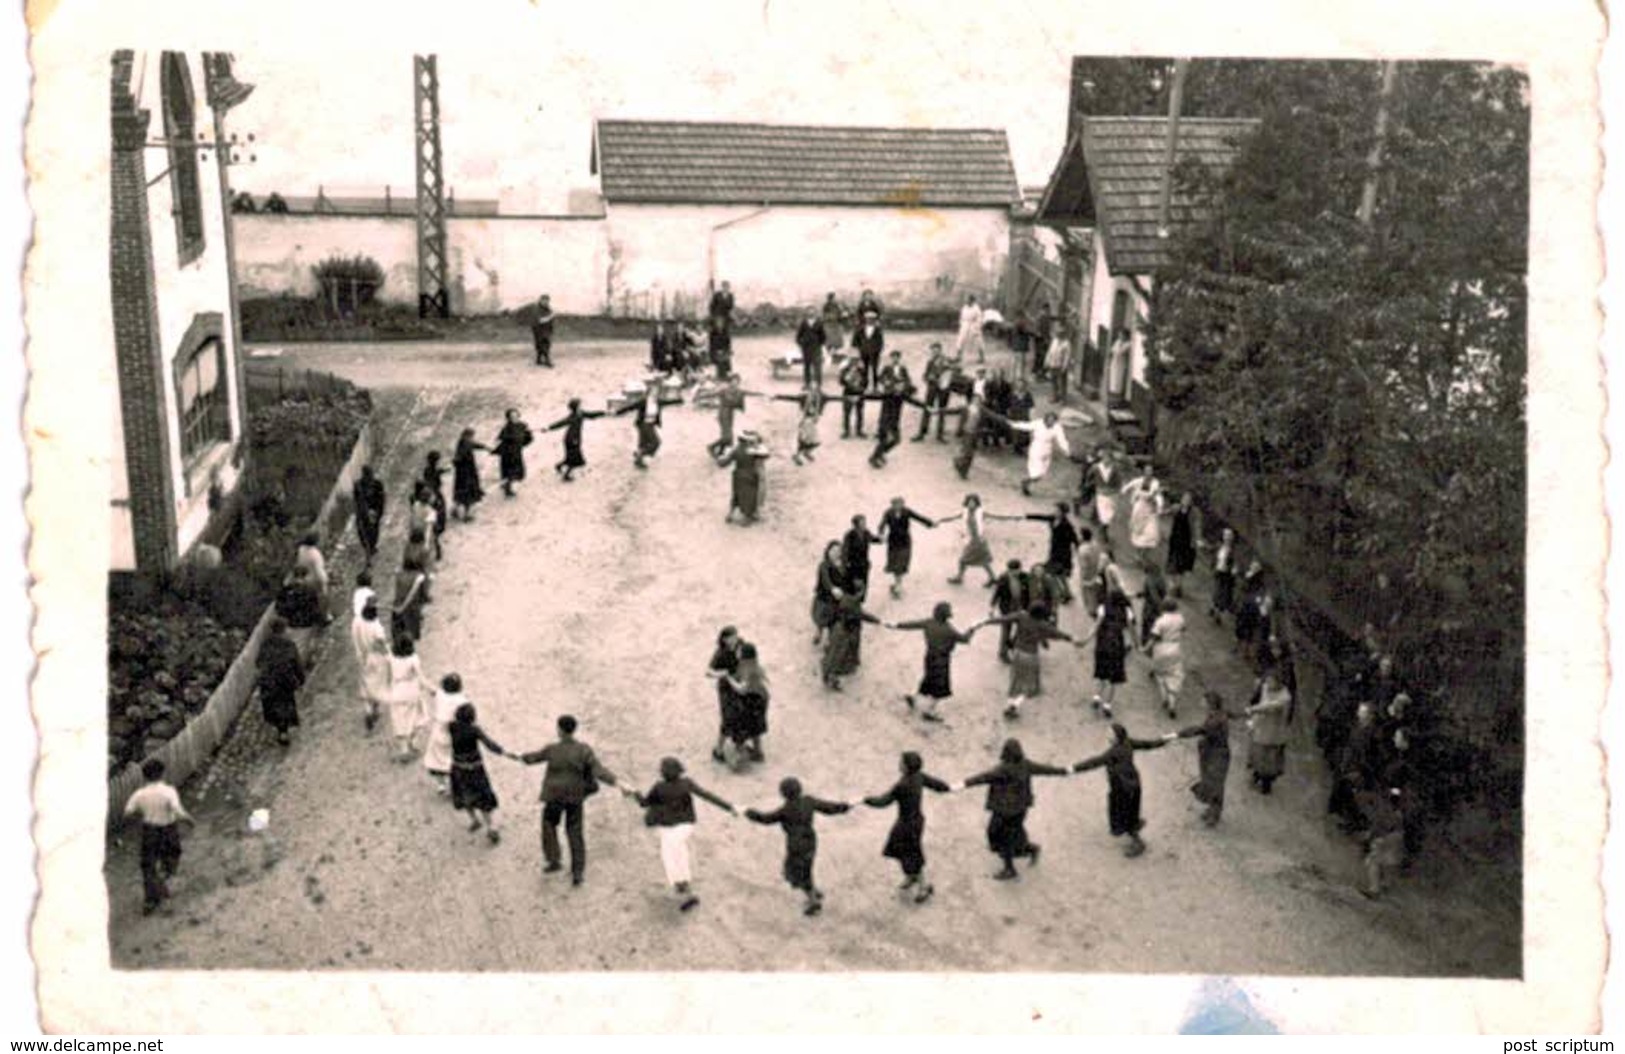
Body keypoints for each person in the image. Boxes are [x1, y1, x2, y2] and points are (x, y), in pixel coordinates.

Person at [515, 715, 618, 887]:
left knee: (548, 825)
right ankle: (577, 872)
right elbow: (599, 771)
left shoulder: (552, 749)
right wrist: (617, 783)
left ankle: (554, 859)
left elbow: (533, 758)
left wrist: (518, 756)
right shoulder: (583, 750)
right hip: (575, 797)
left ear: (560, 730)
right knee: (575, 832)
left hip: (554, 796)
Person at [626, 758, 736, 912]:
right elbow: (707, 795)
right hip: (686, 826)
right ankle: (685, 886)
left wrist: (634, 793)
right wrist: (729, 807)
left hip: (668, 828)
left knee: (670, 856)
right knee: (681, 852)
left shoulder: (659, 787)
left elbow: (645, 803)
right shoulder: (687, 783)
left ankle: (683, 889)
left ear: (663, 773)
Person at [962, 738, 1070, 880]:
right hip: (1020, 809)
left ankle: (1010, 868)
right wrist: (1064, 771)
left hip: (1004, 810)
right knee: (1013, 833)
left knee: (1000, 835)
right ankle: (1029, 849)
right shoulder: (1026, 765)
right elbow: (1046, 769)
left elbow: (982, 778)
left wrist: (962, 784)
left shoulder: (1003, 769)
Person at [744, 777, 852, 916]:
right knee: (806, 867)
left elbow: (765, 819)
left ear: (783, 794)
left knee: (796, 872)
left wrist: (747, 812)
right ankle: (813, 891)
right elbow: (829, 808)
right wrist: (846, 806)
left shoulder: (785, 810)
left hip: (795, 845)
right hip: (810, 840)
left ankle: (813, 901)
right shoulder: (809, 801)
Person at [863, 752, 952, 903]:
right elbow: (938, 785)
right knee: (905, 850)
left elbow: (883, 802)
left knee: (911, 853)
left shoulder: (902, 785)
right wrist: (948, 787)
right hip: (916, 821)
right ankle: (911, 876)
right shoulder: (918, 776)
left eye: (901, 762)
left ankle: (923, 886)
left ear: (906, 767)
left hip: (906, 824)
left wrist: (867, 800)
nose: (899, 764)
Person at [1072, 723, 1171, 858]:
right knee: (1129, 812)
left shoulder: (1115, 751)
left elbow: (1095, 761)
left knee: (1125, 814)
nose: (1107, 735)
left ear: (1116, 737)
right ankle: (1133, 829)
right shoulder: (1127, 743)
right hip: (1132, 784)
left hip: (1122, 788)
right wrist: (1163, 740)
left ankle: (1137, 842)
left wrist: (1073, 768)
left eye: (1110, 733)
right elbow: (1147, 744)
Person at [889, 601, 982, 723]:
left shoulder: (928, 623)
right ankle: (929, 711)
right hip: (942, 660)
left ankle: (915, 698)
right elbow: (964, 639)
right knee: (940, 687)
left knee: (928, 678)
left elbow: (911, 625)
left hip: (929, 656)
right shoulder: (948, 629)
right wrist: (973, 628)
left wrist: (895, 625)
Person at [122, 758, 195, 915]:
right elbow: (178, 811)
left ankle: (150, 900)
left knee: (148, 866)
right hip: (168, 830)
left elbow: (127, 813)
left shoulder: (139, 794)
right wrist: (190, 820)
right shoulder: (168, 791)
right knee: (173, 855)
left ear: (145, 776)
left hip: (150, 831)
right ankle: (163, 879)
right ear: (162, 773)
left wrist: (141, 817)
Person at [984, 603, 1076, 719]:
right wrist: (1072, 639)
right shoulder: (1042, 625)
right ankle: (1015, 704)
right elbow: (1057, 634)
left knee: (1015, 680)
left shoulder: (1021, 616)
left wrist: (986, 621)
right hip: (1031, 656)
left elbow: (1004, 619)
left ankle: (1010, 704)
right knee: (1030, 684)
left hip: (1018, 653)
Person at [1172, 691, 1236, 826]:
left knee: (1215, 784)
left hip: (1217, 755)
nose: (1200, 702)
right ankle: (1212, 809)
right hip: (1210, 753)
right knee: (1208, 781)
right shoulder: (1217, 714)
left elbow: (1199, 729)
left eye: (1203, 701)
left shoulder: (1216, 719)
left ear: (1209, 704)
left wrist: (1178, 734)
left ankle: (1215, 814)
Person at [448, 701, 505, 843]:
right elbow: (489, 744)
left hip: (459, 768)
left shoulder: (452, 727)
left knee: (464, 796)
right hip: (475, 769)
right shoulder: (475, 730)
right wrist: (503, 752)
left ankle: (474, 820)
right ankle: (491, 827)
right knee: (483, 798)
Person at [1078, 587, 1136, 719]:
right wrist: (1138, 645)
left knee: (1101, 671)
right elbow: (1131, 630)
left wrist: (1086, 640)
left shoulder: (1103, 608)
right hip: (1117, 644)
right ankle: (1107, 705)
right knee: (1114, 677)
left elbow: (1096, 626)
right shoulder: (1127, 611)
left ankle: (1097, 696)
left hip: (1103, 643)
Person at [939, 493, 1021, 587]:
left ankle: (960, 577)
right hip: (973, 540)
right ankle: (992, 578)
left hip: (977, 541)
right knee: (983, 561)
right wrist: (941, 520)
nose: (971, 504)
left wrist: (1013, 517)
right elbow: (952, 518)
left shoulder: (981, 513)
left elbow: (998, 517)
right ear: (966, 503)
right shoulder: (964, 512)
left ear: (977, 503)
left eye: (973, 502)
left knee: (963, 560)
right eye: (969, 502)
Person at [1329, 702, 1380, 832]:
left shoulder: (1371, 734)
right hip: (1348, 761)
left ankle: (1353, 821)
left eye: (1362, 711)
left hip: (1357, 767)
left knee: (1350, 793)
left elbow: (1366, 754)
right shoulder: (1357, 726)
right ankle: (1346, 816)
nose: (1358, 713)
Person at [867, 350, 921, 469]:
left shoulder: (903, 371)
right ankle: (875, 457)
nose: (895, 359)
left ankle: (879, 454)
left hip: (895, 417)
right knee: (888, 437)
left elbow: (909, 384)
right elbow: (881, 380)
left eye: (897, 357)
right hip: (886, 417)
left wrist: (906, 387)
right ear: (891, 358)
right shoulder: (887, 371)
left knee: (896, 440)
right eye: (893, 357)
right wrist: (889, 385)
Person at [256, 617, 305, 746]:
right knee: (284, 705)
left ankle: (281, 731)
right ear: (283, 630)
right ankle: (283, 732)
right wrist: (300, 680)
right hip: (284, 681)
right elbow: (296, 664)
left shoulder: (265, 645)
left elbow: (258, 662)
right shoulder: (288, 645)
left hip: (268, 682)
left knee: (275, 706)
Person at [821, 591, 881, 692]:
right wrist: (877, 621)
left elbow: (861, 614)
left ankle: (831, 674)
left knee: (837, 653)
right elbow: (861, 614)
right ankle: (831, 676)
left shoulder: (847, 601)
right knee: (837, 655)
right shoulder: (850, 604)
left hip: (845, 630)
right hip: (845, 632)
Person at [1245, 666, 1292, 795]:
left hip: (1273, 732)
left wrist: (1253, 709)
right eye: (1268, 680)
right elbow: (1261, 698)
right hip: (1261, 727)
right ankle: (1256, 775)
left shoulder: (1285, 697)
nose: (1268, 683)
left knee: (1269, 761)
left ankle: (1266, 786)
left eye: (1272, 681)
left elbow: (1269, 706)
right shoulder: (1266, 687)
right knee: (1257, 755)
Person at [877, 497, 936, 598]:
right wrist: (881, 534)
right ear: (892, 505)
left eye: (900, 504)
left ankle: (898, 585)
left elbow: (918, 517)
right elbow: (882, 525)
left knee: (901, 562)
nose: (898, 506)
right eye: (896, 504)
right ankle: (897, 583)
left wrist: (930, 523)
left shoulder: (907, 511)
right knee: (895, 563)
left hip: (905, 541)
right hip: (893, 541)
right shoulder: (888, 513)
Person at [1025, 503, 1082, 604]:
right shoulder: (1053, 519)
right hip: (1054, 550)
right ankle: (1067, 593)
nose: (1054, 512)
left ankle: (1064, 594)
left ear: (1062, 513)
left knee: (1055, 574)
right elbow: (1041, 517)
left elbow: (1074, 539)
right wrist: (1028, 516)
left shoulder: (1066, 525)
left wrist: (1078, 550)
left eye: (1057, 510)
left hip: (1063, 553)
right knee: (1060, 575)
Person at [706, 626, 746, 765]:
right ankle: (719, 749)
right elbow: (709, 672)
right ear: (724, 639)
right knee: (728, 718)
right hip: (727, 690)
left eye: (735, 636)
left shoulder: (741, 644)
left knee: (742, 714)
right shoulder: (720, 653)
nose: (735, 639)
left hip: (740, 683)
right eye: (731, 637)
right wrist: (722, 673)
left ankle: (739, 745)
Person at [349, 598, 390, 734]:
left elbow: (355, 638)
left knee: (366, 684)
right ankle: (375, 709)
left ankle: (368, 710)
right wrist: (389, 654)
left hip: (363, 656)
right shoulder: (376, 627)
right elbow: (381, 643)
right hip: (376, 658)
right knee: (378, 684)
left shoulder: (357, 622)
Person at [385, 634, 428, 762]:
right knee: (419, 715)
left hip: (396, 690)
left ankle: (404, 749)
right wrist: (433, 689)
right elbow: (421, 678)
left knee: (399, 719)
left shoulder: (390, 657)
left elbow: (388, 676)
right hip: (411, 690)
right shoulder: (413, 659)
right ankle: (413, 740)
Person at [545, 398, 606, 483]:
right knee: (574, 459)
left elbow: (591, 415)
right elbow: (560, 423)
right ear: (576, 407)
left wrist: (603, 413)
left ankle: (559, 466)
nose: (581, 406)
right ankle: (566, 476)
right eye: (579, 405)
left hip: (572, 439)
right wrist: (549, 428)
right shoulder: (574, 416)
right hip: (572, 440)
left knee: (571, 457)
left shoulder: (580, 413)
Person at [1360, 787, 1406, 899]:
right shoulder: (1399, 812)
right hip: (1397, 837)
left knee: (1373, 861)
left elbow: (1380, 825)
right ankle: (1385, 886)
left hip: (1388, 837)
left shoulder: (1387, 810)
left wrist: (1369, 838)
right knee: (1388, 862)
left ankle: (1374, 890)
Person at [423, 672, 464, 795]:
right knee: (452, 759)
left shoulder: (441, 695)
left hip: (438, 731)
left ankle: (441, 784)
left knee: (436, 759)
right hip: (453, 733)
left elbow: (433, 690)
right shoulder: (461, 700)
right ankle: (454, 785)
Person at [730, 642, 771, 763]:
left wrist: (729, 680)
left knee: (743, 727)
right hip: (761, 700)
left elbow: (742, 690)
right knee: (756, 729)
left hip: (750, 702)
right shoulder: (757, 667)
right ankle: (758, 752)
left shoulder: (748, 670)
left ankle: (740, 756)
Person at [1145, 598, 1187, 718]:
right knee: (1175, 675)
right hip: (1175, 648)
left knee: (1161, 675)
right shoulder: (1180, 618)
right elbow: (1184, 629)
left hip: (1161, 648)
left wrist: (1145, 648)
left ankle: (1164, 697)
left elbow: (1154, 637)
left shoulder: (1160, 621)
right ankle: (1172, 704)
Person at [719, 432, 772, 525]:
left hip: (738, 475)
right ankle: (747, 517)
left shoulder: (735, 450)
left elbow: (723, 463)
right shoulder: (753, 451)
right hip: (750, 475)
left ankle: (731, 514)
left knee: (736, 495)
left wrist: (721, 458)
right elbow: (766, 455)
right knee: (749, 496)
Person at [911, 343, 957, 443]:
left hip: (943, 390)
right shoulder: (930, 362)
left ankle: (940, 435)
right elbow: (925, 375)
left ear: (940, 350)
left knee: (942, 411)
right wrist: (928, 378)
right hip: (932, 389)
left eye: (936, 350)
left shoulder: (947, 361)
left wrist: (946, 378)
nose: (934, 352)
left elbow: (953, 373)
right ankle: (921, 433)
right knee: (927, 410)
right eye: (933, 351)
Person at [989, 560, 1033, 664]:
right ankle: (1003, 653)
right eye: (1011, 571)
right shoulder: (1003, 578)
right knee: (1006, 630)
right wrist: (992, 607)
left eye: (1016, 571)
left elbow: (1030, 592)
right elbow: (997, 593)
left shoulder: (1025, 577)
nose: (1014, 573)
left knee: (1022, 628)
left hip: (1022, 606)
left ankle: (1013, 644)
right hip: (1007, 607)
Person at [1122, 466, 1165, 568]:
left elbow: (1157, 496)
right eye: (1146, 471)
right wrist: (1124, 489)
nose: (1148, 473)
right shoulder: (1139, 481)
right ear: (1144, 472)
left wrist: (1159, 507)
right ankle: (1138, 556)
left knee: (1151, 533)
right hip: (1139, 508)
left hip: (1150, 511)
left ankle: (1143, 555)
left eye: (1150, 471)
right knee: (1137, 530)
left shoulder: (1155, 483)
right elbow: (1130, 485)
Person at [809, 541, 847, 647]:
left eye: (838, 551)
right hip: (824, 597)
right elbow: (826, 579)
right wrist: (832, 588)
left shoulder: (843, 565)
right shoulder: (824, 565)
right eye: (833, 550)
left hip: (836, 600)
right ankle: (819, 632)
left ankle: (829, 641)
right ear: (828, 551)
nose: (835, 553)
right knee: (820, 618)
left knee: (833, 621)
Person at [708, 375, 754, 460]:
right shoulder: (724, 390)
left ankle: (720, 452)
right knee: (728, 436)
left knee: (727, 436)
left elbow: (751, 393)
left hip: (730, 414)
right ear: (730, 382)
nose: (735, 383)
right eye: (733, 381)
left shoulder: (739, 391)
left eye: (737, 381)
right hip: (723, 413)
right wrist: (699, 396)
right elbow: (712, 394)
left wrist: (765, 395)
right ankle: (711, 447)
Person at [492, 408, 534, 498]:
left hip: (517, 452)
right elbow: (499, 439)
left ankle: (507, 484)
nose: (515, 418)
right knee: (511, 471)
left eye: (516, 416)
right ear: (509, 418)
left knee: (516, 472)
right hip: (508, 453)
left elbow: (529, 438)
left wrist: (522, 444)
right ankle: (508, 489)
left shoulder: (523, 425)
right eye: (512, 417)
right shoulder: (506, 428)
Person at [841, 514, 882, 600]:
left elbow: (872, 539)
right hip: (853, 565)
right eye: (862, 522)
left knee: (864, 585)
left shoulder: (866, 533)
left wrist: (880, 539)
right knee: (854, 586)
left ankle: (859, 603)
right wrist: (845, 564)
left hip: (864, 564)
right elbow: (845, 550)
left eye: (864, 522)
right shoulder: (849, 535)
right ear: (856, 524)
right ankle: (852, 605)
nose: (864, 524)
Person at [451, 428, 489, 521]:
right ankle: (467, 515)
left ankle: (455, 510)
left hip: (460, 473)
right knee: (469, 495)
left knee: (459, 493)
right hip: (469, 473)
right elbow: (472, 446)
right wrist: (486, 447)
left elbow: (473, 446)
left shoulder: (461, 442)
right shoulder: (467, 443)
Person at [1086, 448, 1122, 546]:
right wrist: (1091, 484)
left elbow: (1119, 481)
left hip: (1112, 494)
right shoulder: (1096, 468)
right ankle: (1103, 533)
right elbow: (1088, 476)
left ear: (1111, 459)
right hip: (1101, 494)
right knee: (1103, 516)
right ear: (1102, 458)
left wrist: (1118, 490)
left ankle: (1103, 531)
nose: (1107, 460)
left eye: (1108, 458)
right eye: (1105, 458)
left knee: (1110, 516)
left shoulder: (1115, 468)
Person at [351, 464, 386, 564]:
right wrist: (362, 511)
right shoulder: (358, 485)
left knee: (374, 533)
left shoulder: (377, 484)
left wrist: (378, 512)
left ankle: (371, 547)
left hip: (374, 512)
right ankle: (368, 549)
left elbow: (381, 499)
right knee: (363, 534)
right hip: (363, 513)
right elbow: (357, 500)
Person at [1166, 493, 1199, 597]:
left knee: (1180, 566)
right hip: (1175, 540)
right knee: (1171, 564)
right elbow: (1167, 512)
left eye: (1188, 499)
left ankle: (1178, 587)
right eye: (1184, 499)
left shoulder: (1194, 512)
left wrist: (1196, 540)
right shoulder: (1176, 508)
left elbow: (1197, 526)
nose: (1186, 501)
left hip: (1186, 542)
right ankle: (1173, 585)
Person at [391, 556, 429, 645]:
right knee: (410, 629)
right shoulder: (418, 577)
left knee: (398, 629)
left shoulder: (399, 574)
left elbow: (396, 570)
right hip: (411, 607)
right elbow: (417, 594)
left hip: (397, 604)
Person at [275, 565, 325, 630]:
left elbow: (282, 595)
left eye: (301, 576)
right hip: (302, 611)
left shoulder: (280, 607)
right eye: (297, 576)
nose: (298, 581)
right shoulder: (287, 591)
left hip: (305, 616)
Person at [951, 395, 988, 479]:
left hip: (975, 434)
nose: (977, 402)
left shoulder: (982, 409)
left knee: (971, 455)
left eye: (978, 401)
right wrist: (937, 410)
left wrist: (1007, 422)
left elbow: (994, 416)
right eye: (975, 400)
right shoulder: (966, 408)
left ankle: (964, 471)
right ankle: (958, 463)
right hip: (966, 433)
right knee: (968, 452)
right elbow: (952, 411)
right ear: (972, 400)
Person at [294, 531, 330, 612]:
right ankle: (326, 615)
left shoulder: (301, 549)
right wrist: (324, 580)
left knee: (311, 599)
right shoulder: (315, 554)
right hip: (315, 578)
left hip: (305, 577)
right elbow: (319, 571)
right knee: (323, 597)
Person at [851, 309, 885, 391]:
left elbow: (880, 342)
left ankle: (875, 387)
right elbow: (854, 341)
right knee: (864, 370)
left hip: (874, 352)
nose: (870, 321)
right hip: (864, 352)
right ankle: (864, 386)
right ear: (865, 319)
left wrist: (877, 350)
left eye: (872, 319)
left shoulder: (877, 330)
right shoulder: (860, 329)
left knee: (874, 370)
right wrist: (860, 348)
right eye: (868, 319)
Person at [838, 348, 869, 438]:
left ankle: (859, 430)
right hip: (848, 392)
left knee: (859, 413)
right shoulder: (845, 369)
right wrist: (847, 381)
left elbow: (866, 381)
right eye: (852, 359)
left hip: (859, 393)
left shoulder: (862, 370)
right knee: (847, 413)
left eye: (856, 359)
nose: (854, 361)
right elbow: (840, 381)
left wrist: (861, 388)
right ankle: (846, 431)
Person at [1209, 527, 1237, 623]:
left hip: (1227, 574)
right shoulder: (1219, 546)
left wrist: (1234, 568)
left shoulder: (1233, 550)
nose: (1227, 537)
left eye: (1229, 535)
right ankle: (1214, 608)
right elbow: (1213, 553)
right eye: (1226, 535)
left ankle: (1218, 613)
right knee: (1216, 591)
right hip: (1218, 571)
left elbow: (1236, 562)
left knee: (1222, 594)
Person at [795, 311, 827, 388]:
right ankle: (807, 383)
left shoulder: (819, 323)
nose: (811, 314)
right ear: (807, 315)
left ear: (815, 315)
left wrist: (819, 343)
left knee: (817, 367)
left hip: (816, 348)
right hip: (806, 348)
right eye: (809, 313)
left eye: (812, 313)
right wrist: (801, 343)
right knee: (806, 366)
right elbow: (798, 336)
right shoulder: (803, 323)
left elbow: (823, 336)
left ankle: (818, 383)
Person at [955, 293, 985, 363]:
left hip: (973, 325)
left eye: (968, 299)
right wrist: (962, 324)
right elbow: (961, 317)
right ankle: (958, 356)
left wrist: (977, 327)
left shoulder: (976, 308)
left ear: (972, 301)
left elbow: (980, 318)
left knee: (978, 341)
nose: (967, 301)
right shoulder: (964, 307)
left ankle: (982, 357)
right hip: (965, 325)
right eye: (966, 299)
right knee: (961, 340)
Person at [820, 292, 846, 360]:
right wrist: (830, 317)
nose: (835, 299)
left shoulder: (837, 305)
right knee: (829, 339)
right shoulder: (826, 306)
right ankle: (830, 353)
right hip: (829, 324)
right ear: (830, 298)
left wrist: (842, 315)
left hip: (836, 324)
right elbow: (824, 315)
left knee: (837, 340)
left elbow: (841, 313)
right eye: (834, 298)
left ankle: (834, 353)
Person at [532, 293, 555, 367]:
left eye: (547, 301)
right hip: (538, 329)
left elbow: (550, 320)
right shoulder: (537, 309)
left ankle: (539, 360)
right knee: (542, 344)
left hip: (546, 329)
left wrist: (551, 328)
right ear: (540, 300)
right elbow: (540, 320)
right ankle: (547, 360)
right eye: (544, 300)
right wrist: (551, 316)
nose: (546, 302)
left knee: (544, 344)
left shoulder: (548, 309)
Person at [1033, 301, 1054, 379]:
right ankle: (1039, 374)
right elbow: (1038, 329)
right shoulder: (1041, 317)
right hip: (1040, 340)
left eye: (1048, 310)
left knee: (1043, 356)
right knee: (1041, 356)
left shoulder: (1045, 316)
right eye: (1047, 310)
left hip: (1043, 339)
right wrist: (1044, 338)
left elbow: (1053, 318)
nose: (1048, 311)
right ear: (1044, 309)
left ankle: (1040, 373)